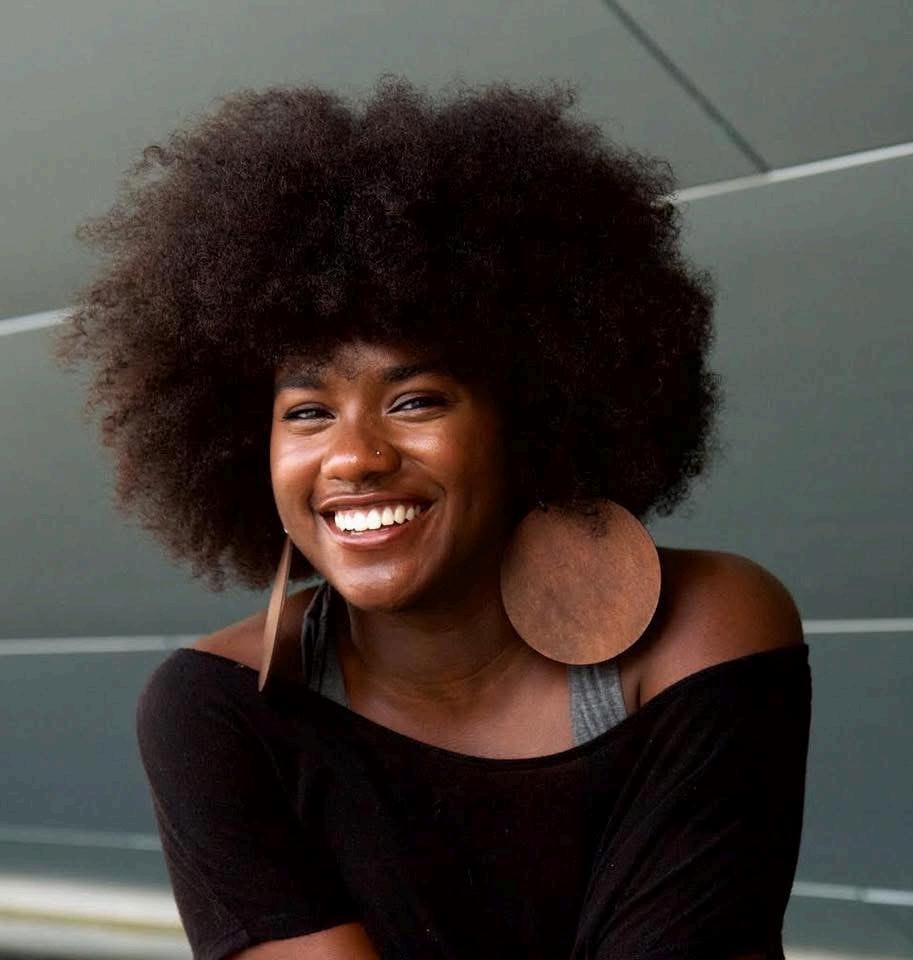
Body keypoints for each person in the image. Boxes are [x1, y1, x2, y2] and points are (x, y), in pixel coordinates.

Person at [55, 76, 811, 960]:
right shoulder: (217, 713)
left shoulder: (703, 632)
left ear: (532, 419)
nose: (353, 457)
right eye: (308, 412)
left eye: (415, 400)